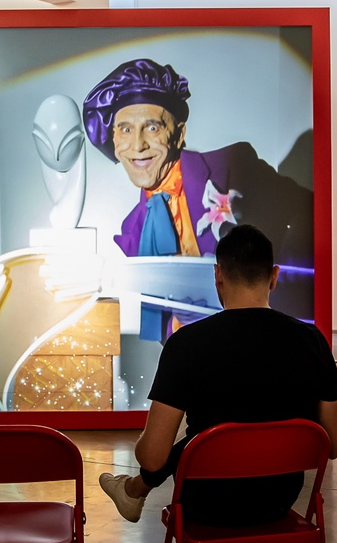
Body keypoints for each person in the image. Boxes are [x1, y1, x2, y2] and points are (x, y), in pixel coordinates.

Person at [99, 225, 337, 543]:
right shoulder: (312, 342)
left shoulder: (186, 345)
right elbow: (333, 445)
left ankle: (135, 492)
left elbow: (152, 456)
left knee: (203, 439)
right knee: (218, 432)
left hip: (207, 508)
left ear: (217, 275)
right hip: (278, 500)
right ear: (274, 277)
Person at [83, 58, 315, 339]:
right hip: (197, 357)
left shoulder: (231, 164)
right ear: (113, 139)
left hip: (262, 343)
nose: (138, 145)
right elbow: (163, 320)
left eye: (152, 127)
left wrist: (283, 295)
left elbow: (306, 210)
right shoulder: (132, 231)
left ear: (179, 134)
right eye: (125, 129)